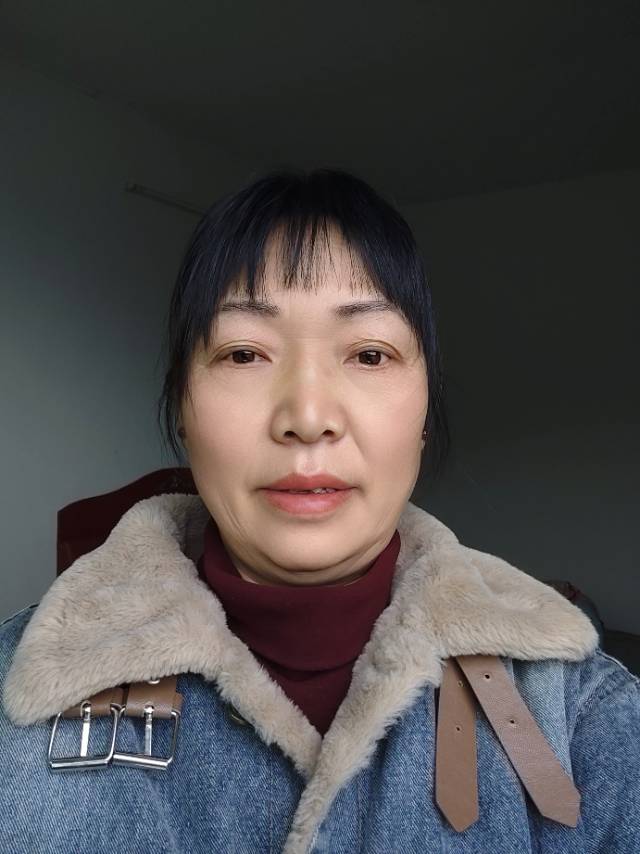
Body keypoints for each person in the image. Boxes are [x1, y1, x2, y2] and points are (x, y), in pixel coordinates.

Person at [1, 168, 638, 853]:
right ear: (181, 405)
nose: (307, 417)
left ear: (426, 411)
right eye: (244, 353)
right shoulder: (16, 693)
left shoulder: (582, 714)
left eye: (369, 354)